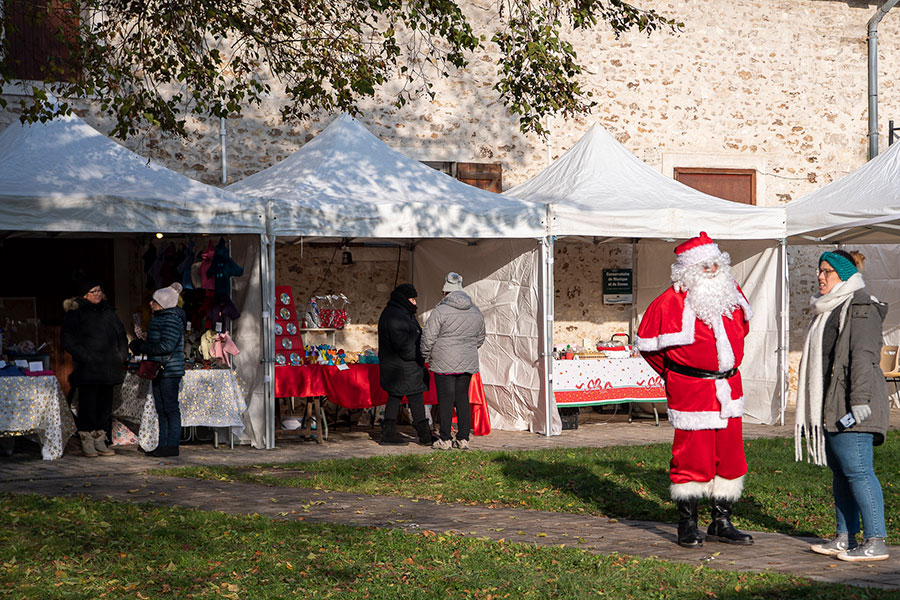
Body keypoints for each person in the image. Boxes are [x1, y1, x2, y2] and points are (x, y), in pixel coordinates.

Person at [635, 232, 754, 548]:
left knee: (729, 456)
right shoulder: (669, 302)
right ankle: (687, 524)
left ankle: (722, 522)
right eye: (705, 265)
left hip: (728, 388)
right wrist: (676, 375)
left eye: (716, 263)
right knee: (692, 457)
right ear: (687, 270)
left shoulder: (733, 295)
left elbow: (743, 330)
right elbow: (648, 347)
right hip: (692, 392)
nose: (713, 269)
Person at [795, 250, 890, 562]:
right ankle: (845, 536)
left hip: (854, 405)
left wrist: (860, 402)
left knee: (859, 470)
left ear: (845, 275)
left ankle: (875, 541)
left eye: (827, 272)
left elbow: (863, 356)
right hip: (832, 403)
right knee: (841, 471)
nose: (820, 277)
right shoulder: (827, 308)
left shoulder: (860, 305)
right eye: (819, 270)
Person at [61, 277, 129, 457]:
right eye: (94, 291)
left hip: (109, 367)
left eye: (99, 290)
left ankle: (101, 439)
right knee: (88, 406)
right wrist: (86, 357)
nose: (98, 294)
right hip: (88, 369)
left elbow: (121, 335)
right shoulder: (76, 312)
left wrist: (122, 355)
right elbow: (67, 339)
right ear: (85, 294)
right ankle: (87, 440)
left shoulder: (108, 311)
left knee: (105, 407)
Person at [421, 272, 486, 450]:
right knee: (462, 398)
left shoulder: (440, 311)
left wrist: (424, 355)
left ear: (445, 293)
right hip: (467, 361)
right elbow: (480, 338)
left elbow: (428, 337)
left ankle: (445, 438)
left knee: (446, 400)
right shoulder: (475, 310)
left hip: (443, 362)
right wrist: (467, 350)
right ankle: (463, 438)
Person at [130, 282, 187, 457]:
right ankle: (163, 445)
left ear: (163, 303)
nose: (150, 303)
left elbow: (166, 346)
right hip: (160, 368)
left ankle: (172, 446)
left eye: (154, 301)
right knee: (161, 409)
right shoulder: (161, 318)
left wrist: (143, 346)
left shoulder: (171, 319)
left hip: (169, 370)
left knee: (169, 408)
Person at [377, 283, 433, 446]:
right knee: (414, 397)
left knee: (397, 397)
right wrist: (418, 356)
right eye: (411, 299)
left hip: (401, 366)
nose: (415, 303)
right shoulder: (395, 316)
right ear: (404, 299)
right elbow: (403, 344)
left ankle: (389, 434)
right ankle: (424, 436)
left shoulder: (400, 313)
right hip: (403, 366)